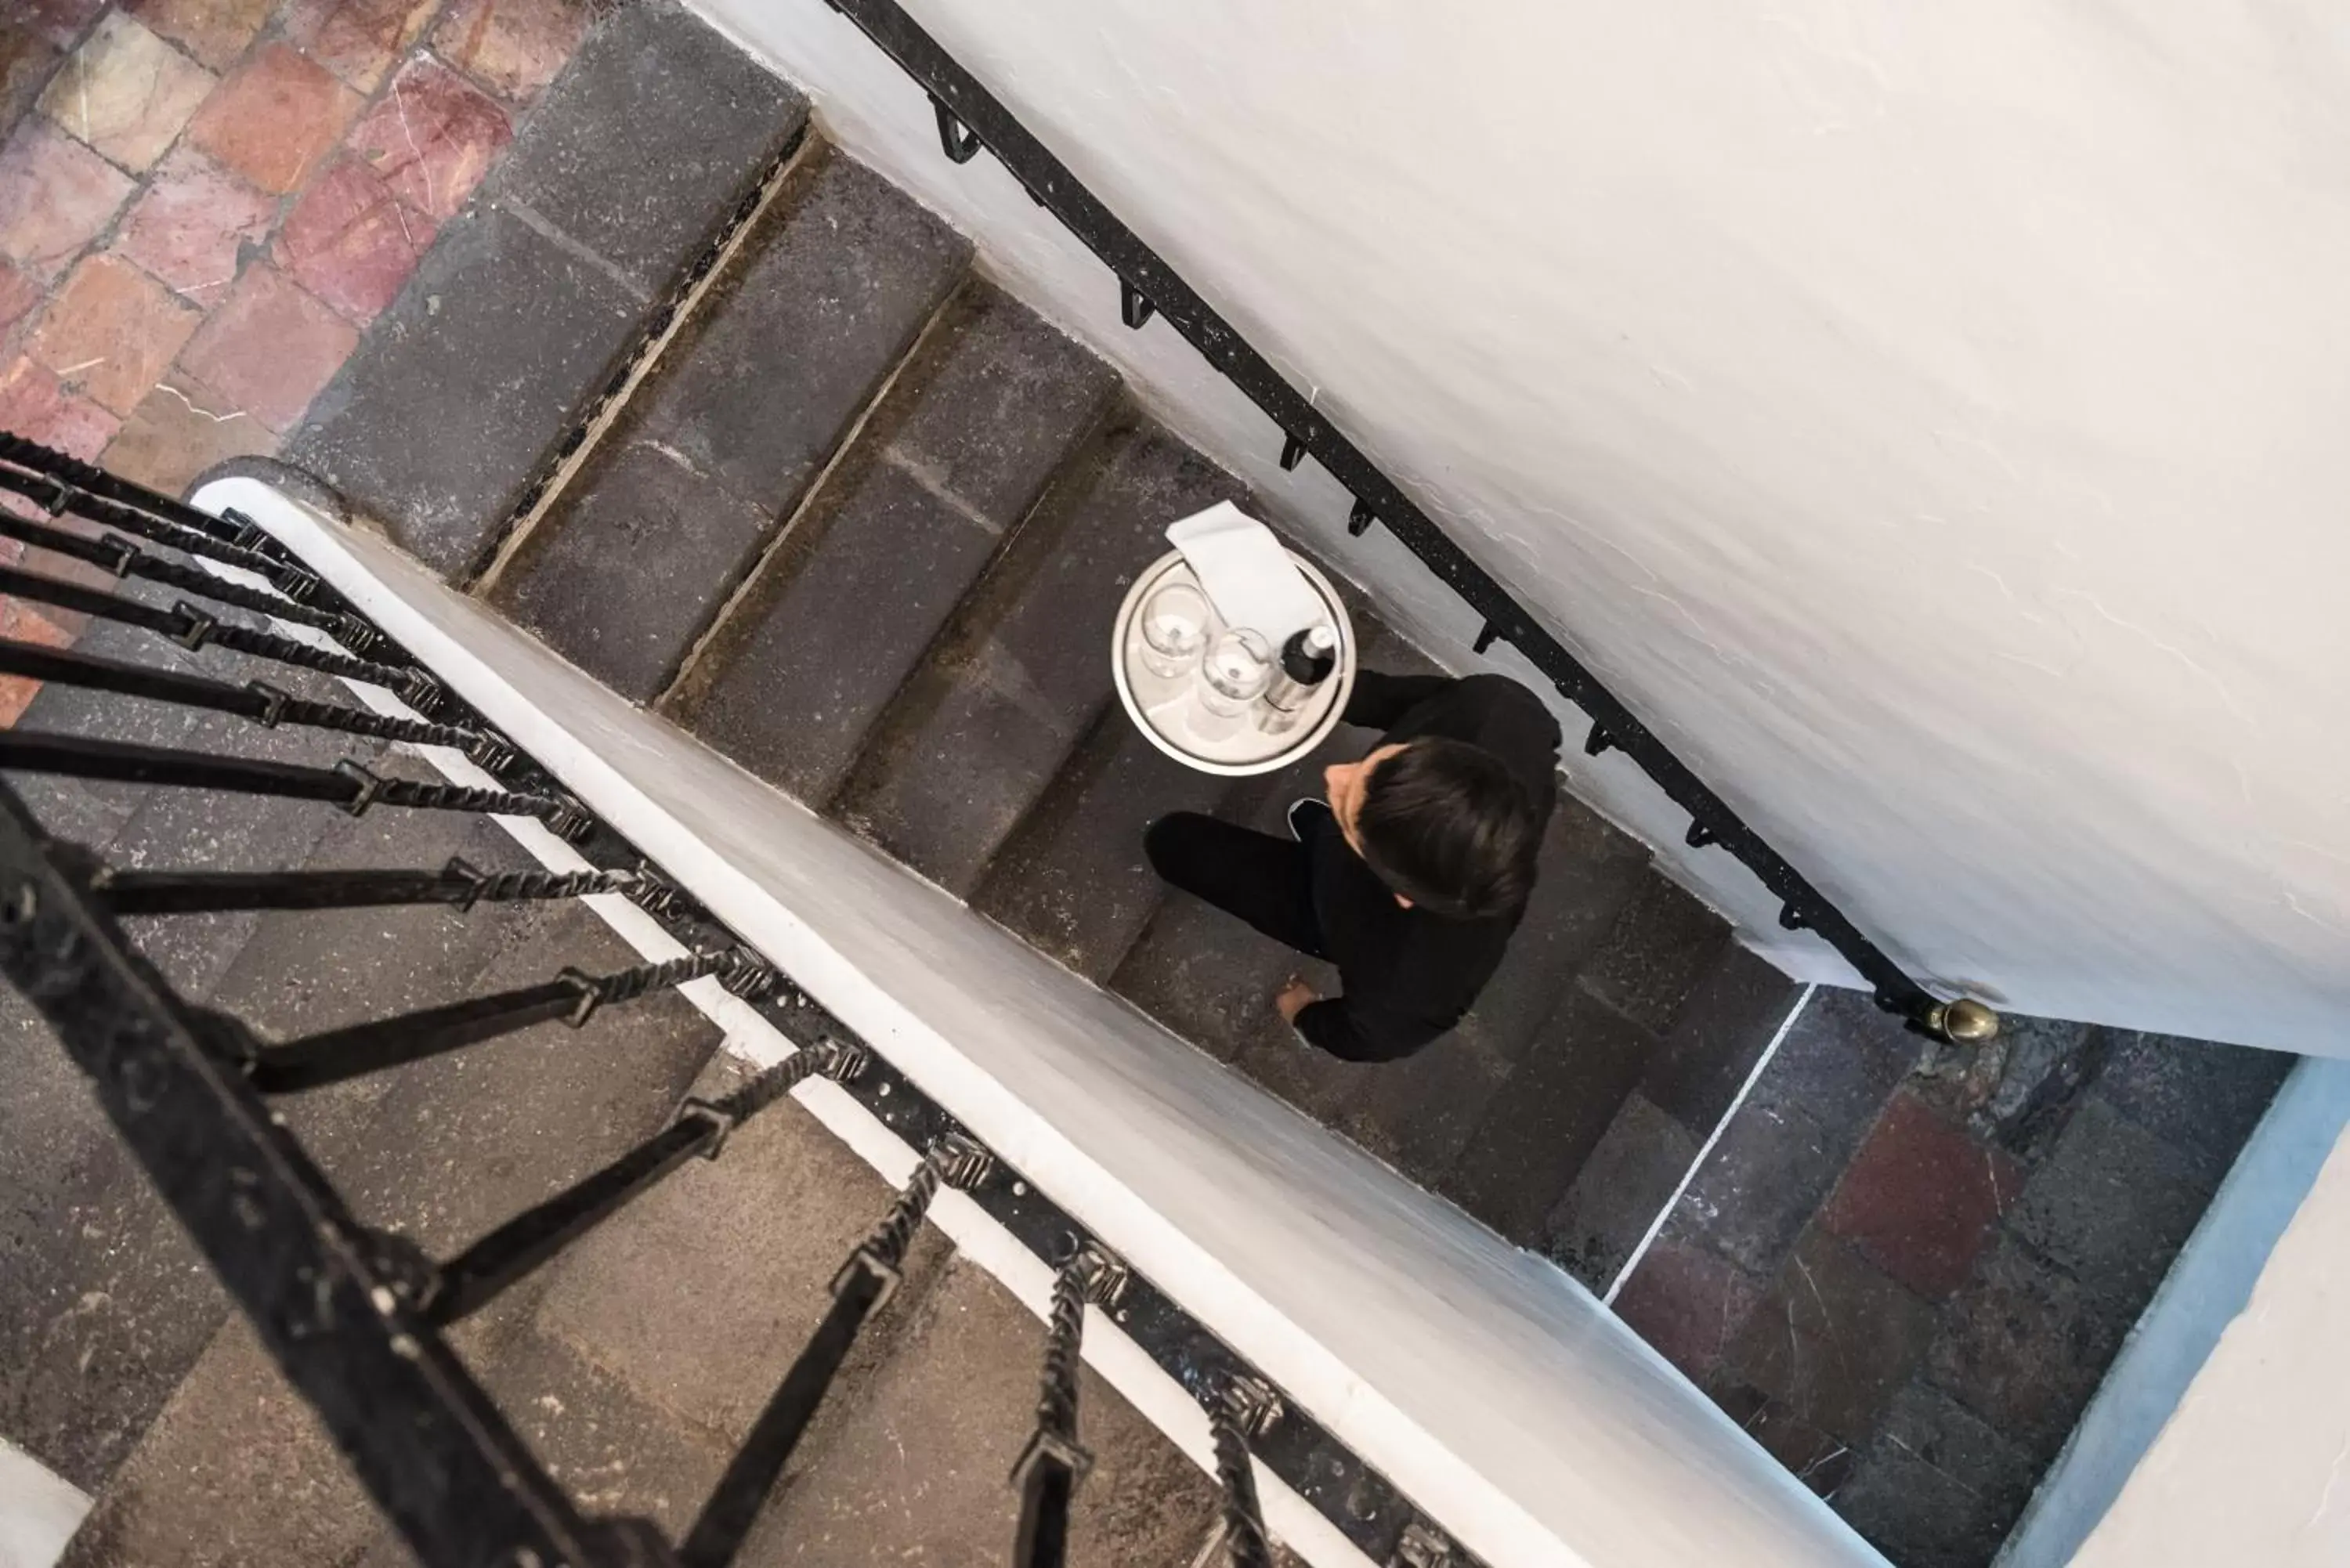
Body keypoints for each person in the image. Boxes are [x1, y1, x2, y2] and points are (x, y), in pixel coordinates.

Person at [1143, 669, 1559, 1061]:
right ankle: (1330, 831)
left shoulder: (1409, 984)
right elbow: (1417, 701)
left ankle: (1329, 837)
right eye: (1375, 766)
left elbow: (1368, 1039)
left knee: (1173, 843)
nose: (1334, 774)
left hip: (1341, 916)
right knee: (1326, 827)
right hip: (1357, 867)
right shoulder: (1500, 710)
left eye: (1346, 806)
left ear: (1400, 889)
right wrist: (1322, 694)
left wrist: (1304, 1016)